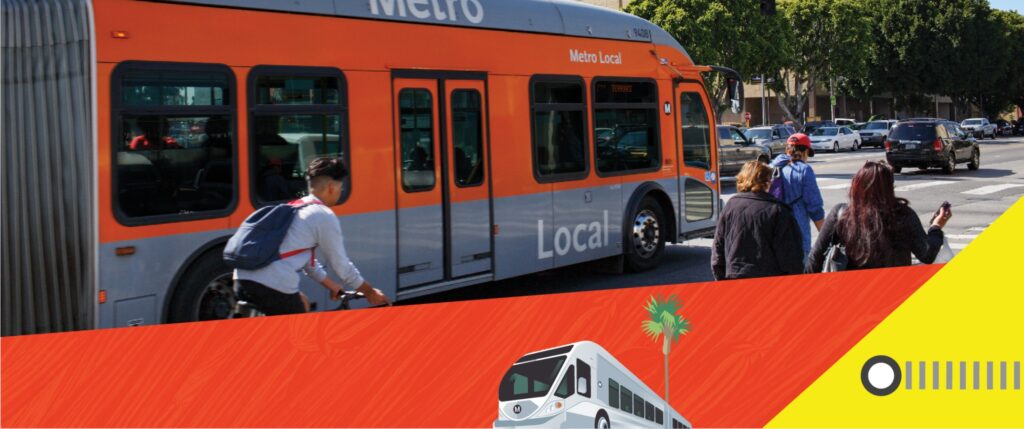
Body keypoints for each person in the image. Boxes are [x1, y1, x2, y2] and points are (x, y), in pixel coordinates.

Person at [234, 156, 390, 315]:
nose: (341, 191)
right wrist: (370, 292)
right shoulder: (323, 215)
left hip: (242, 278)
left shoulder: (295, 207)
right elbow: (342, 266)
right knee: (298, 334)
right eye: (341, 187)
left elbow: (308, 262)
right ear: (331, 187)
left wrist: (331, 285)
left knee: (302, 302)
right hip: (271, 283)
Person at [807, 160, 951, 272]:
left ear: (857, 186)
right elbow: (927, 254)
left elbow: (815, 259)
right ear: (889, 188)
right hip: (894, 294)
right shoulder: (903, 215)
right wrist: (936, 226)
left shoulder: (842, 215)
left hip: (851, 297)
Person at [712, 160, 804, 280]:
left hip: (734, 279)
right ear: (767, 183)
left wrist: (721, 279)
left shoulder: (730, 206)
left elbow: (718, 250)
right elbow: (791, 257)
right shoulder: (778, 211)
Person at [770, 133, 825, 260]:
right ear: (805, 151)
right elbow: (814, 208)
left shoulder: (771, 167)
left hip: (772, 234)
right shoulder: (804, 170)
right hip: (797, 236)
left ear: (787, 149)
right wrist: (826, 236)